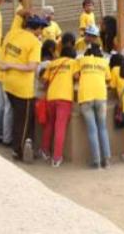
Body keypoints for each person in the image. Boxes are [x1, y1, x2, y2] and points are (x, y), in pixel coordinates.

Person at [0, 15, 48, 162]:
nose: (41, 32)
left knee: (20, 116)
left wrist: (8, 65)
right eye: (41, 29)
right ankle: (18, 151)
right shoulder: (34, 43)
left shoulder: (13, 33)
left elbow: (4, 53)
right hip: (23, 88)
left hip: (8, 83)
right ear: (36, 28)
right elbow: (32, 67)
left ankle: (24, 145)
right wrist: (11, 65)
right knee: (23, 120)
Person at [39, 40, 79, 168]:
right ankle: (56, 157)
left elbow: (44, 80)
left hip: (51, 96)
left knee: (49, 125)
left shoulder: (52, 63)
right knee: (60, 127)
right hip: (64, 97)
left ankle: (44, 151)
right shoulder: (73, 63)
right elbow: (77, 77)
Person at [77, 26, 113, 169]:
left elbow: (75, 75)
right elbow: (108, 80)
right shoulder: (104, 62)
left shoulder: (82, 61)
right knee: (102, 128)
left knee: (92, 130)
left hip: (85, 96)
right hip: (101, 96)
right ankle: (107, 160)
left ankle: (96, 162)